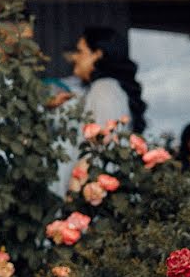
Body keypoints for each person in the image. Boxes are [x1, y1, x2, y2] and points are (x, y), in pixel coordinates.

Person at [52, 26, 148, 195]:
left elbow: (100, 151)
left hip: (89, 198)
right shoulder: (100, 90)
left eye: (81, 51)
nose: (75, 58)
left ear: (98, 54)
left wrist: (76, 197)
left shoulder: (104, 90)